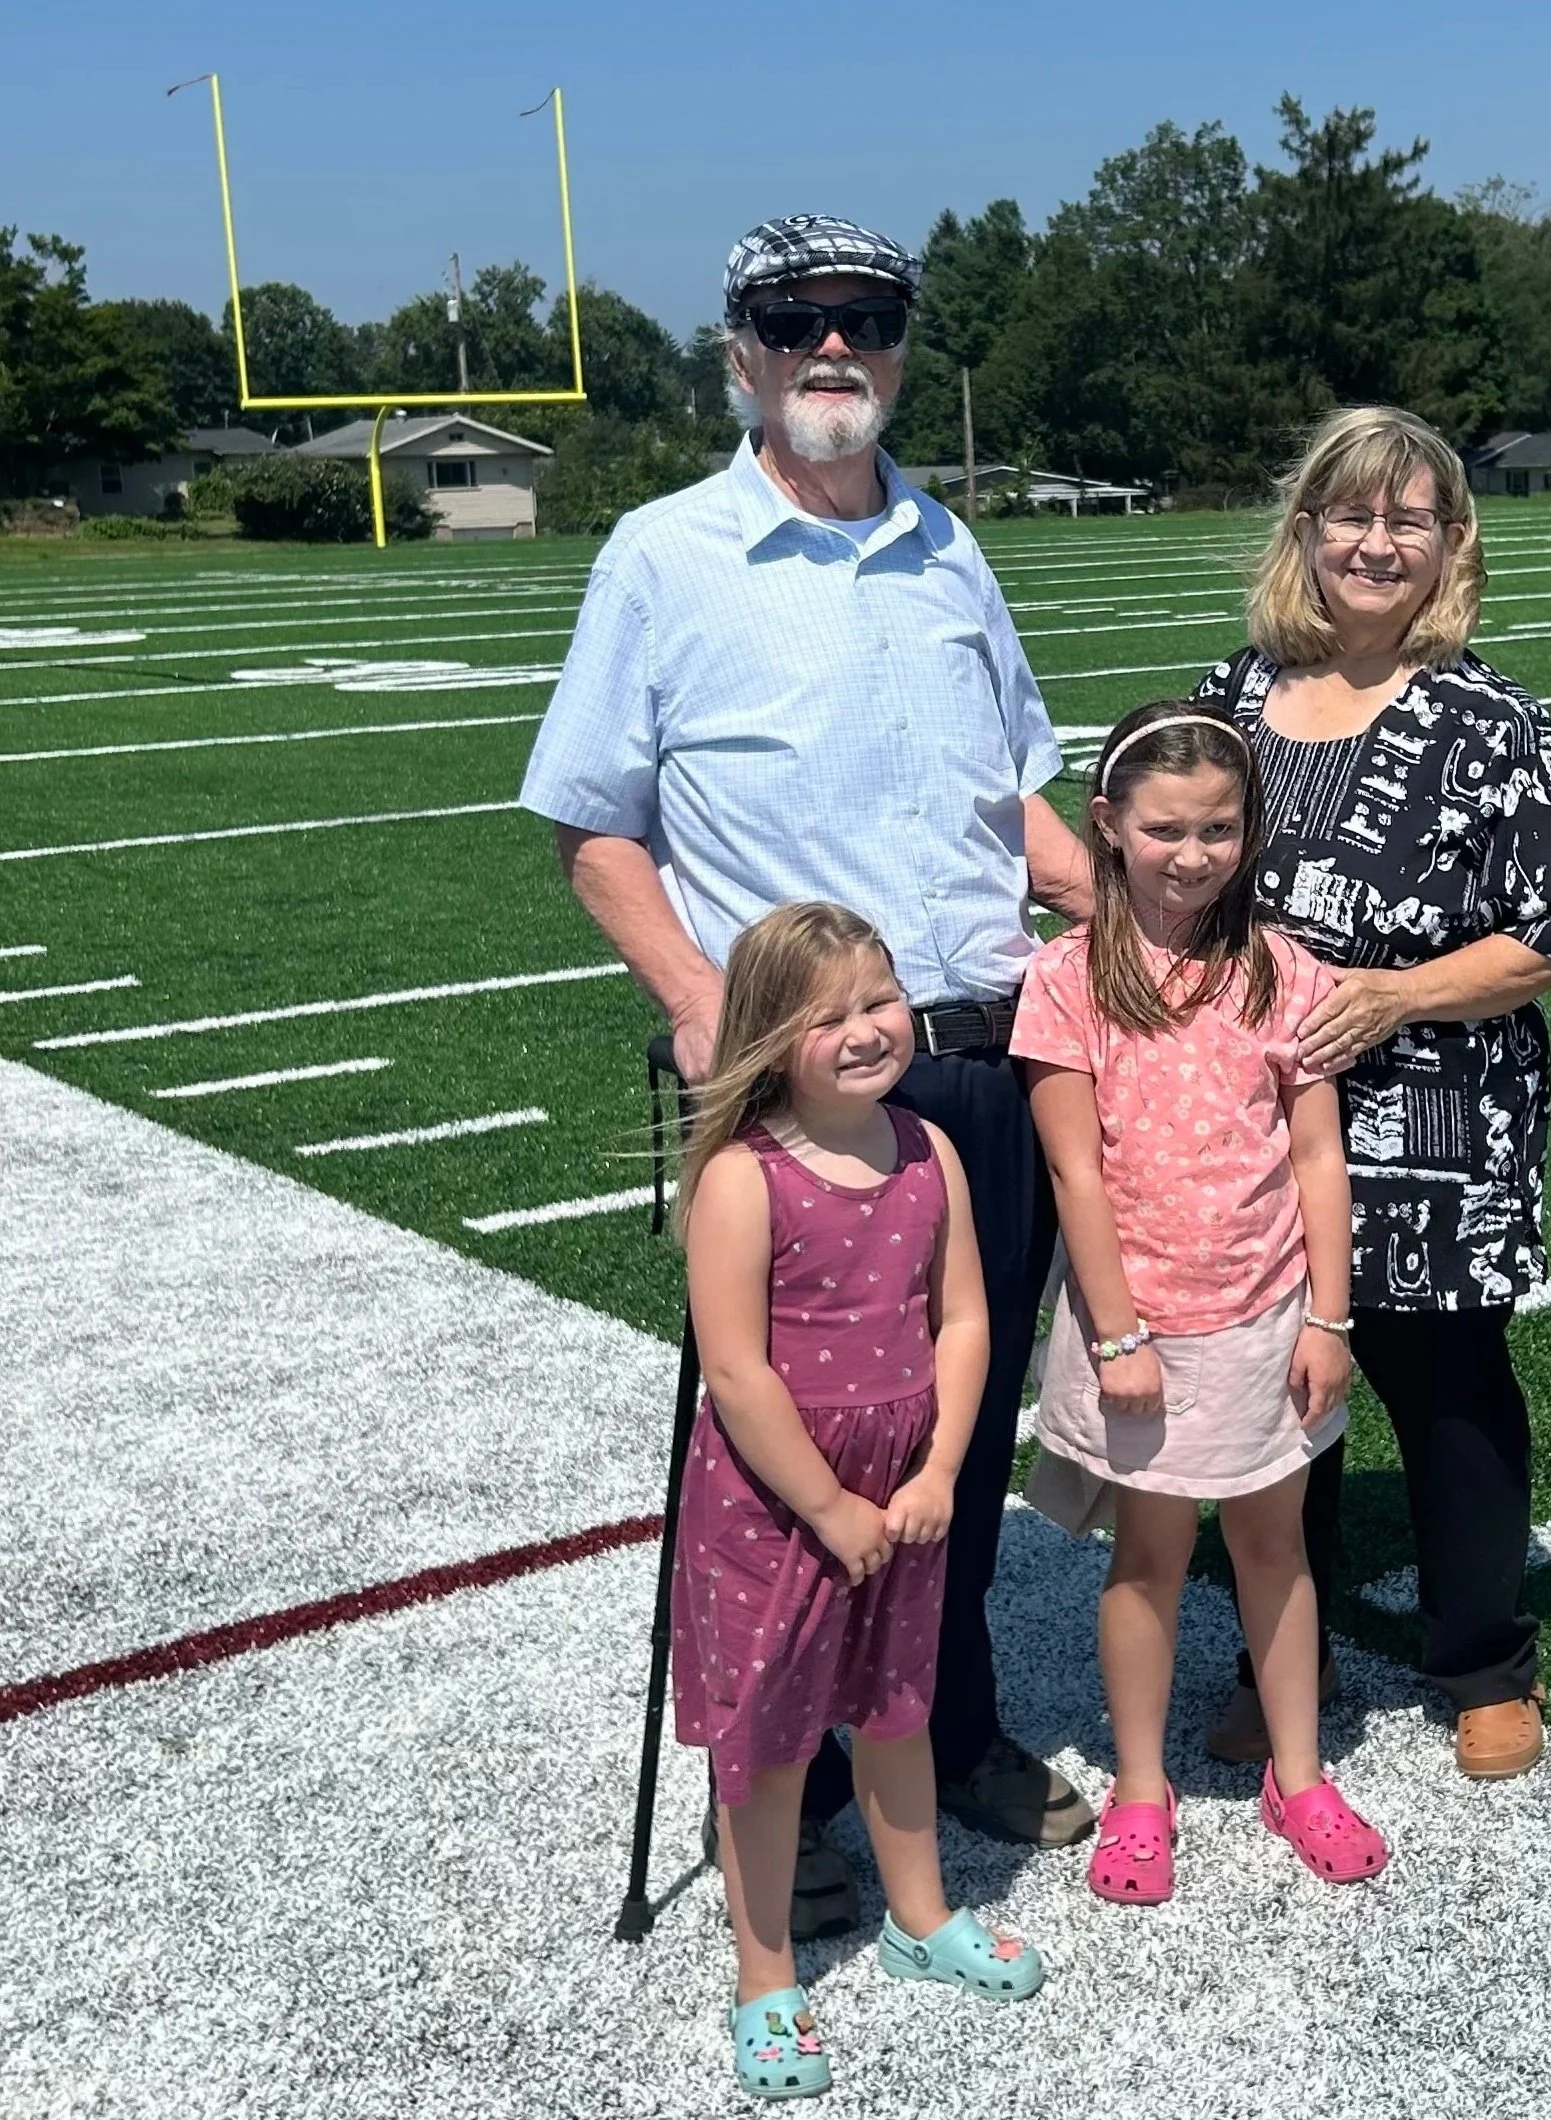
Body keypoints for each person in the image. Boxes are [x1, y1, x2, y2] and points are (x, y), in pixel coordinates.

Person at [519, 212, 1097, 1938]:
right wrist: (701, 1001)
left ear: (903, 345)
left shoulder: (949, 549)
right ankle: (802, 1784)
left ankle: (950, 1721)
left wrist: (1151, 929)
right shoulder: (662, 554)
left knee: (960, 1426)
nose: (833, 347)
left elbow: (1020, 810)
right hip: (798, 1096)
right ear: (742, 348)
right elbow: (594, 828)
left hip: (980, 1065)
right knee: (782, 1463)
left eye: (866, 319)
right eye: (797, 320)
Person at [1191, 405, 1551, 1782]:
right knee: (1275, 1397)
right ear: (1303, 531)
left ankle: (1483, 1657)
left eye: (1407, 520)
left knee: (1443, 1384)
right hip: (1252, 1120)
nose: (1376, 542)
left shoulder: (1494, 719)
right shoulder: (1235, 694)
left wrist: (1402, 992)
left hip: (1437, 1111)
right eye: (1350, 514)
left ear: (1449, 545)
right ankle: (1279, 1657)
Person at [1010, 702, 1389, 1899]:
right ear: (1109, 826)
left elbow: (1316, 1157)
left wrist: (1329, 1316)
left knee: (1275, 1549)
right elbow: (1075, 1169)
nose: (1192, 852)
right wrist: (1117, 1334)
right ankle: (1137, 1786)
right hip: (1139, 1330)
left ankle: (1297, 1770)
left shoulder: (1283, 970)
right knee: (1149, 1556)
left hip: (1268, 1318)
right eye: (1166, 827)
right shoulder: (1064, 978)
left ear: (1249, 831)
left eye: (1219, 827)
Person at [676, 901, 1044, 2101]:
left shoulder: (926, 1146)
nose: (861, 1029)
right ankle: (763, 1971)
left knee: (897, 1706)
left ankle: (918, 1912)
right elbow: (734, 1370)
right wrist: (829, 1505)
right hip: (781, 1503)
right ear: (767, 1036)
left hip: (905, 1485)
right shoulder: (743, 1176)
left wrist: (939, 1468)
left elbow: (968, 1318)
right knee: (770, 1743)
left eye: (876, 1001)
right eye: (823, 1014)